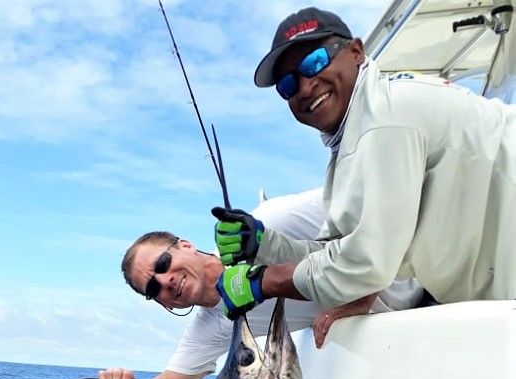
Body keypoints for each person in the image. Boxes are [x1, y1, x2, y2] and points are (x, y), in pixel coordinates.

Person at [212, 6, 516, 321]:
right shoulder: (352, 143)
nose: (304, 87)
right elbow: (340, 254)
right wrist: (264, 243)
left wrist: (265, 282)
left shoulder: (386, 116)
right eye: (287, 85)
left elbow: (367, 265)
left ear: (356, 51)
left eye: (315, 62)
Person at [102, 189, 422, 379]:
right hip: (406, 343)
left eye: (162, 263)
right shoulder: (210, 326)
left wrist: (358, 300)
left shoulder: (271, 220)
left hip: (428, 289)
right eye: (153, 288)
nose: (165, 280)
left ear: (184, 245)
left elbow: (377, 208)